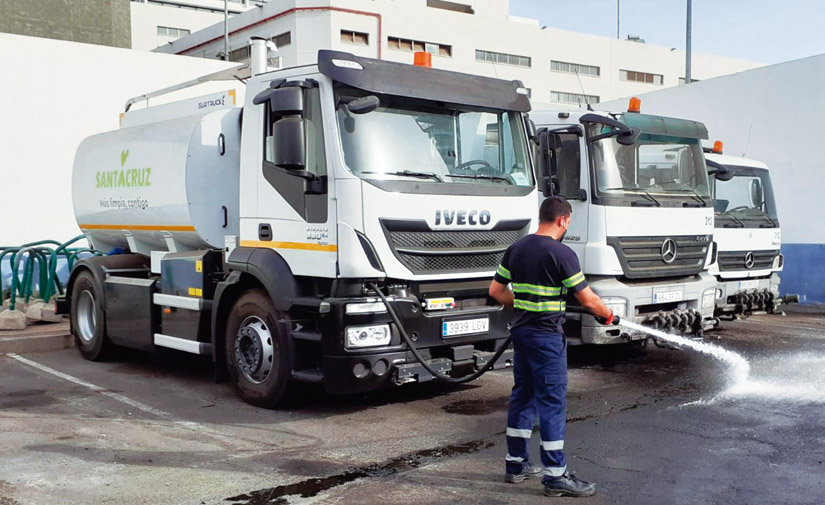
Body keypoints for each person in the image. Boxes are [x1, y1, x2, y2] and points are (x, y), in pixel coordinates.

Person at [488, 196, 621, 498]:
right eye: (568, 222)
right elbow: (587, 300)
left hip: (522, 335)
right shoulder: (562, 254)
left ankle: (516, 464)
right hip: (547, 338)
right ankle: (555, 476)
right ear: (562, 220)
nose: (566, 227)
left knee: (523, 396)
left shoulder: (516, 248)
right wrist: (608, 315)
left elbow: (496, 291)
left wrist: (524, 307)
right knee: (551, 403)